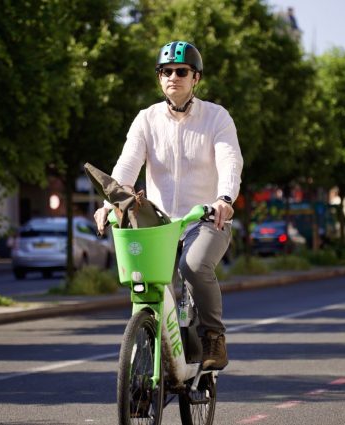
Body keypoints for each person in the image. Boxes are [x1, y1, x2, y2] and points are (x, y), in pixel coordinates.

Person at [94, 41, 243, 371]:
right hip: (158, 223)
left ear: (196, 78)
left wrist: (224, 199)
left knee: (193, 266)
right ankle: (149, 363)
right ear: (159, 78)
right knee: (145, 284)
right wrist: (110, 203)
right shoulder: (146, 120)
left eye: (181, 71)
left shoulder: (217, 117)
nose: (173, 76)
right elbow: (127, 167)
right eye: (166, 71)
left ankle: (213, 337)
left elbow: (230, 160)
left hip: (205, 219)